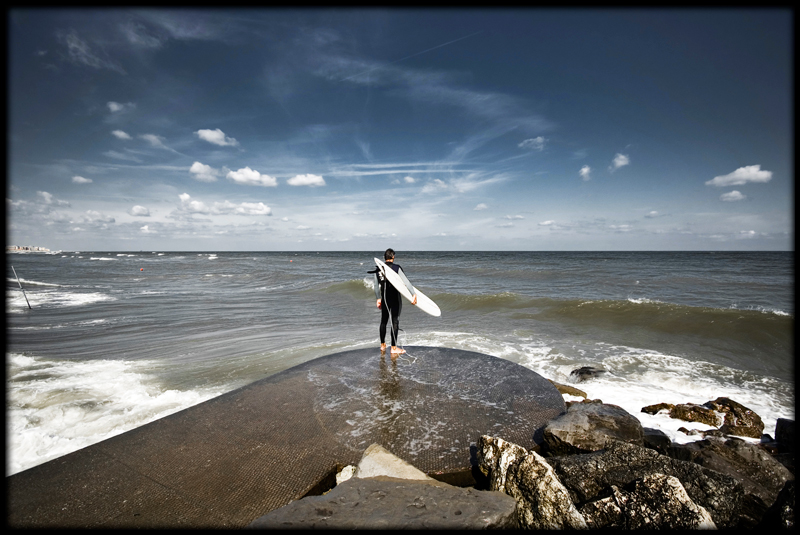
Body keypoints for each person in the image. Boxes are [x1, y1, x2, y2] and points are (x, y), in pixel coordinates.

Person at [372, 248, 416, 356]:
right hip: (395, 299)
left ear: (384, 258)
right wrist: (413, 294)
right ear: (393, 257)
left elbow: (376, 286)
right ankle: (393, 348)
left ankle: (382, 345)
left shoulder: (378, 269)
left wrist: (378, 299)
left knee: (383, 321)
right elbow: (406, 282)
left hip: (385, 299)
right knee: (395, 322)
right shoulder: (397, 268)